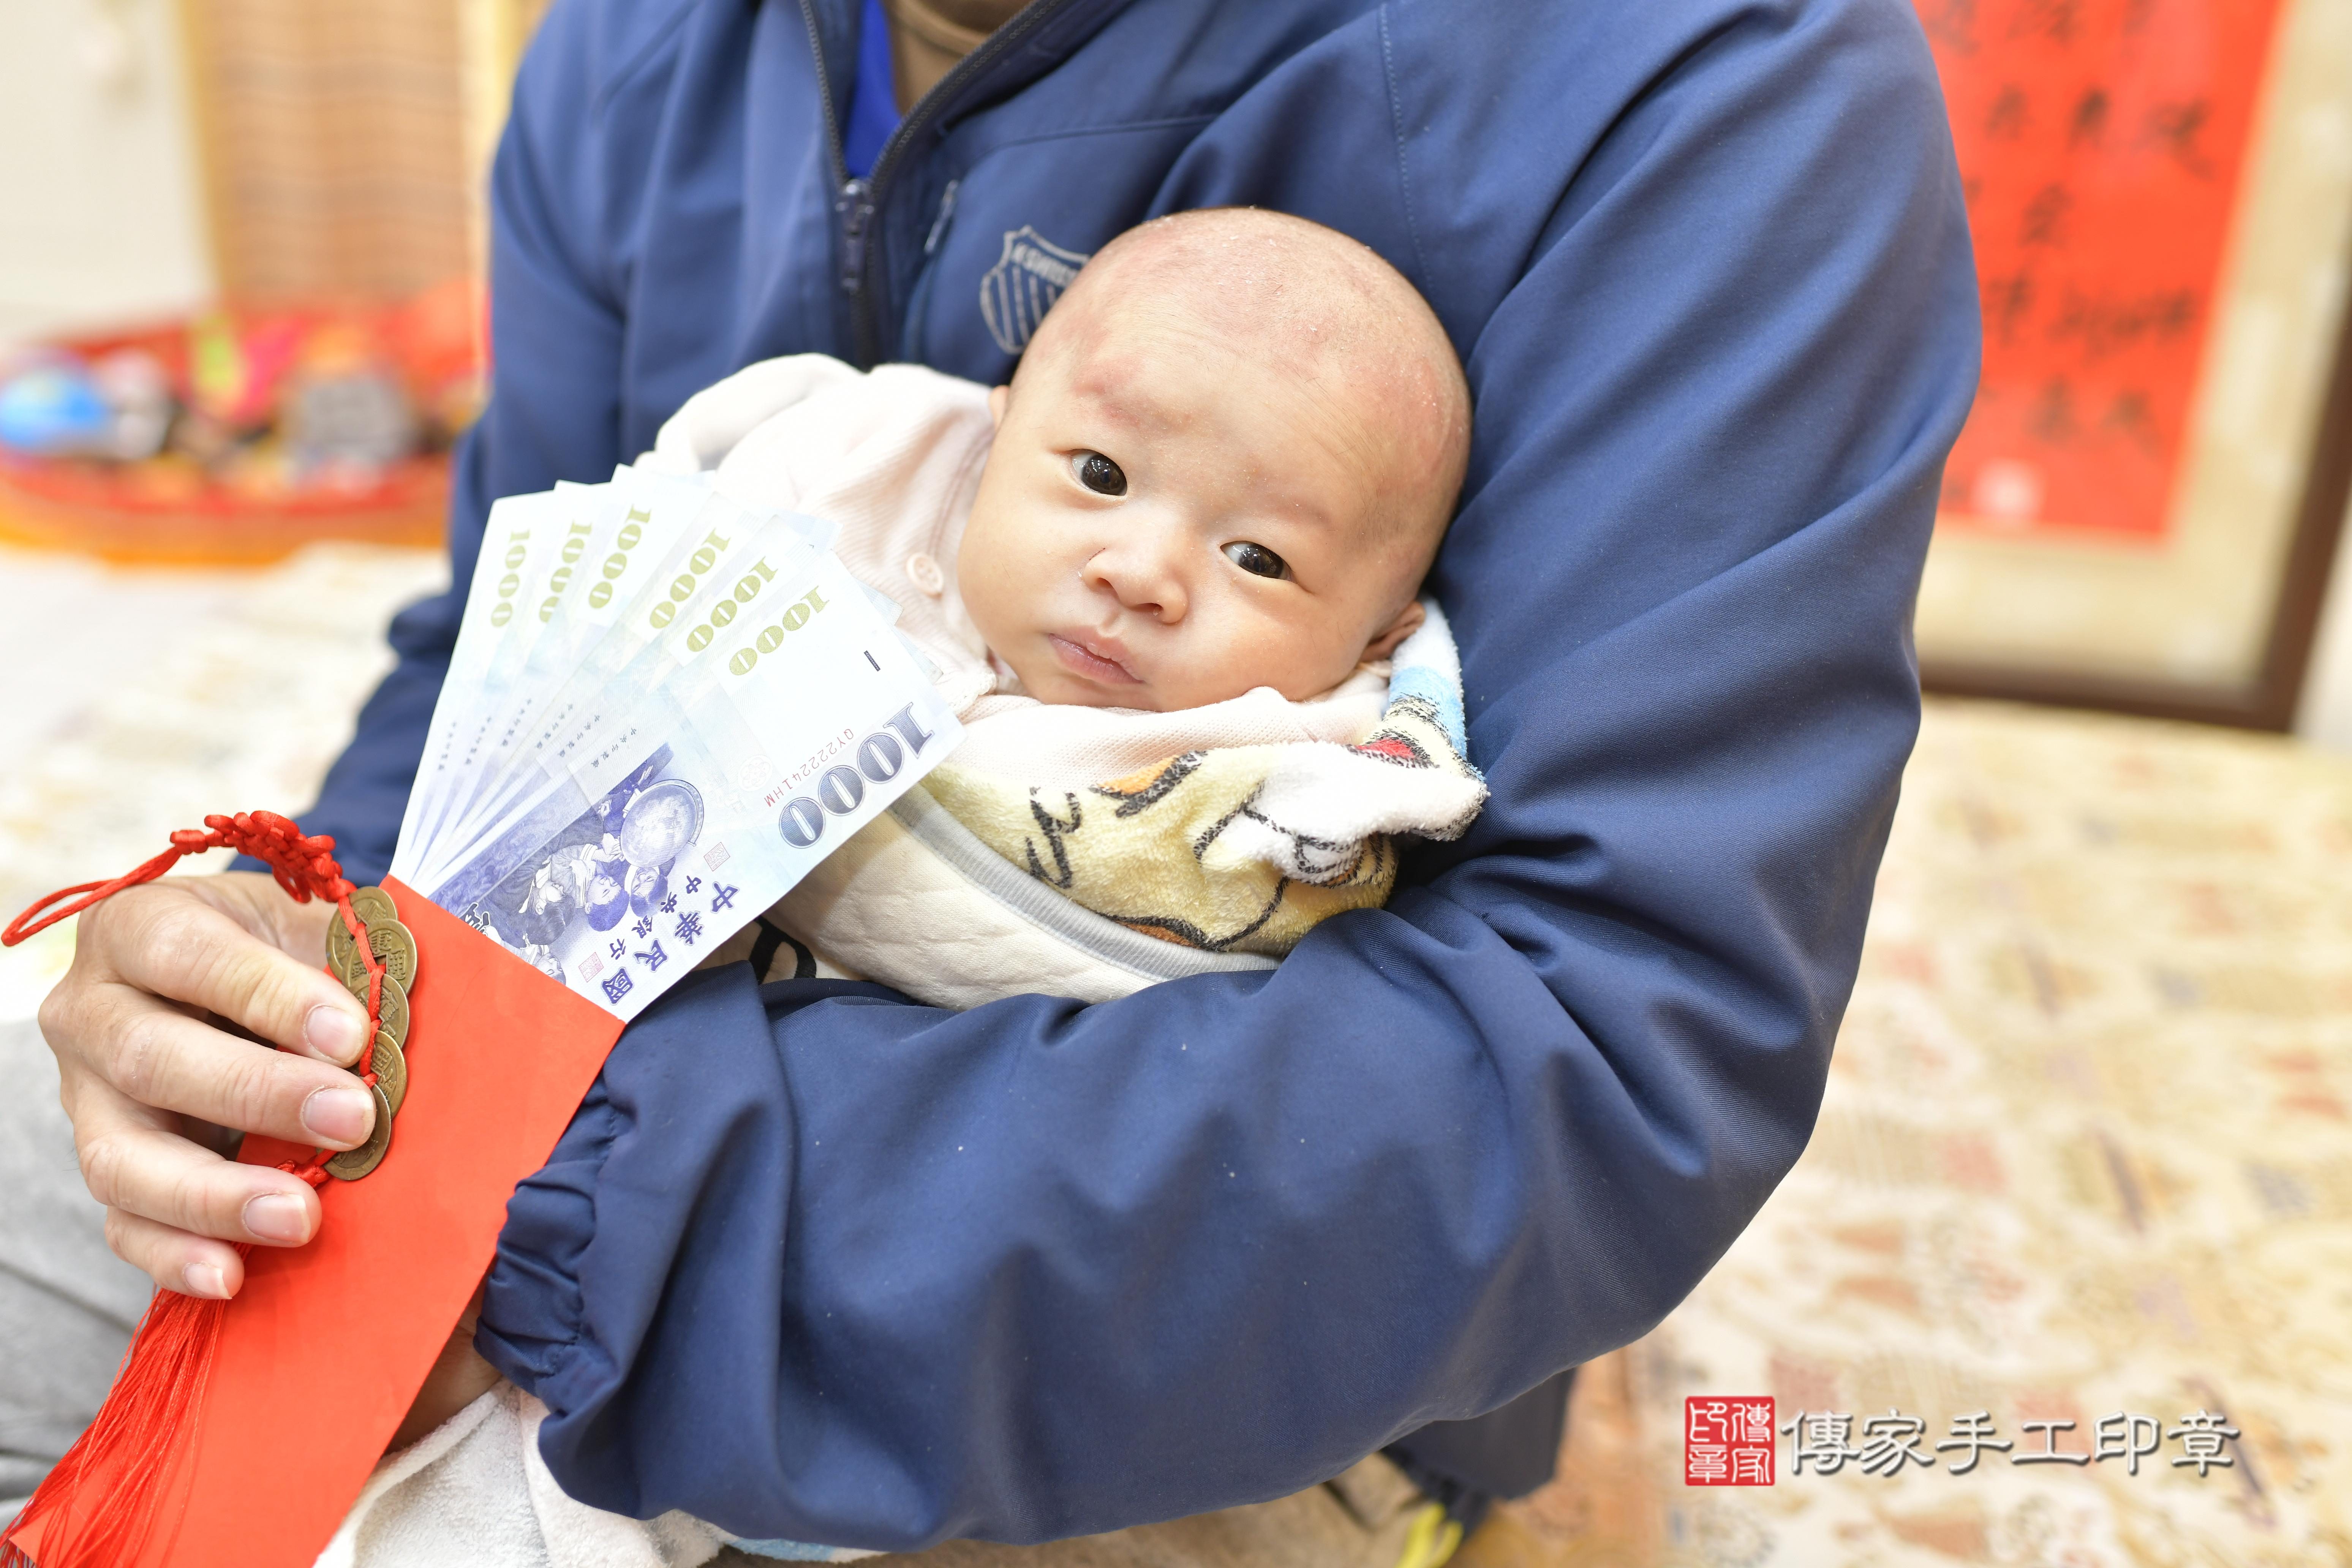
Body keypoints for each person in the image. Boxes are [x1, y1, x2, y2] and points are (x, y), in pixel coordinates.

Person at [21, 0, 1979, 1554]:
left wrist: (568, 1195)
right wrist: (289, 988)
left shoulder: (1717, 85)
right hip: (523, 1118)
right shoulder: (629, 52)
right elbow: (503, 653)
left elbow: (1598, 1053)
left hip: (1211, 1321)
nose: (1133, 571)